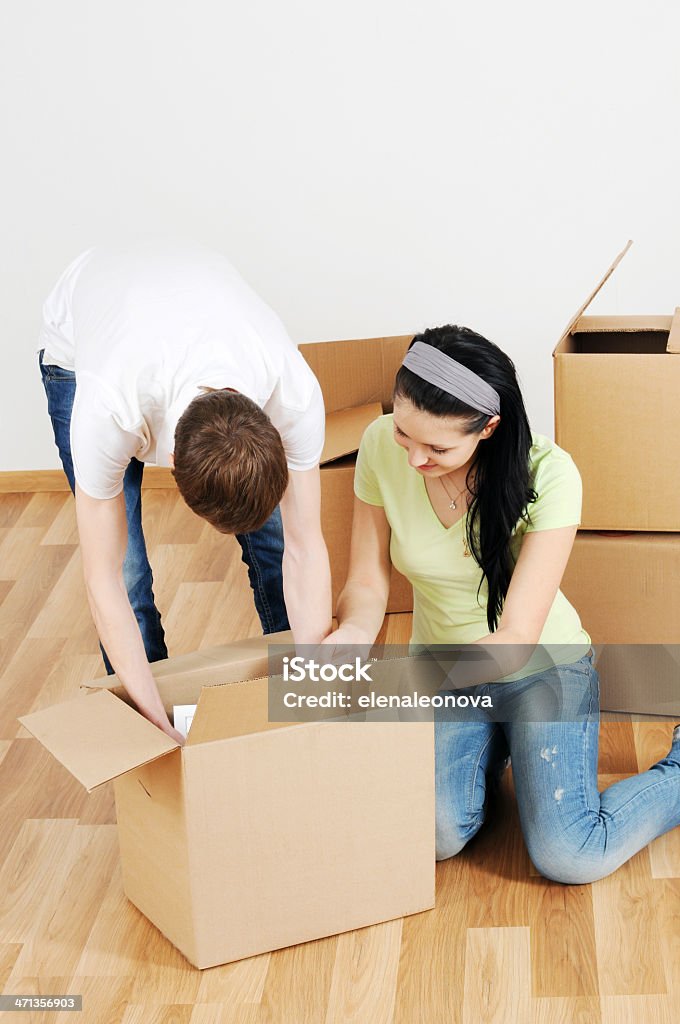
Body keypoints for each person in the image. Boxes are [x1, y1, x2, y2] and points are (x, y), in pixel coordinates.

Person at [324, 324, 680, 884]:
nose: (414, 457)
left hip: (540, 666)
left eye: (438, 448)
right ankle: (494, 750)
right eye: (404, 435)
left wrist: (404, 683)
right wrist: (350, 637)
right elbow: (367, 581)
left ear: (488, 428)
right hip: (447, 670)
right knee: (436, 834)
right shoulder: (377, 443)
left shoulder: (549, 473)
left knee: (570, 855)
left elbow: (515, 640)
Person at [39, 241, 332, 744]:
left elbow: (307, 548)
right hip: (86, 328)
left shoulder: (295, 395)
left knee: (278, 540)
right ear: (171, 463)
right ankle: (153, 718)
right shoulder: (108, 409)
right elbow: (102, 580)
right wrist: (157, 721)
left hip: (194, 286)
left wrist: (313, 686)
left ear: (273, 435)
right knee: (127, 570)